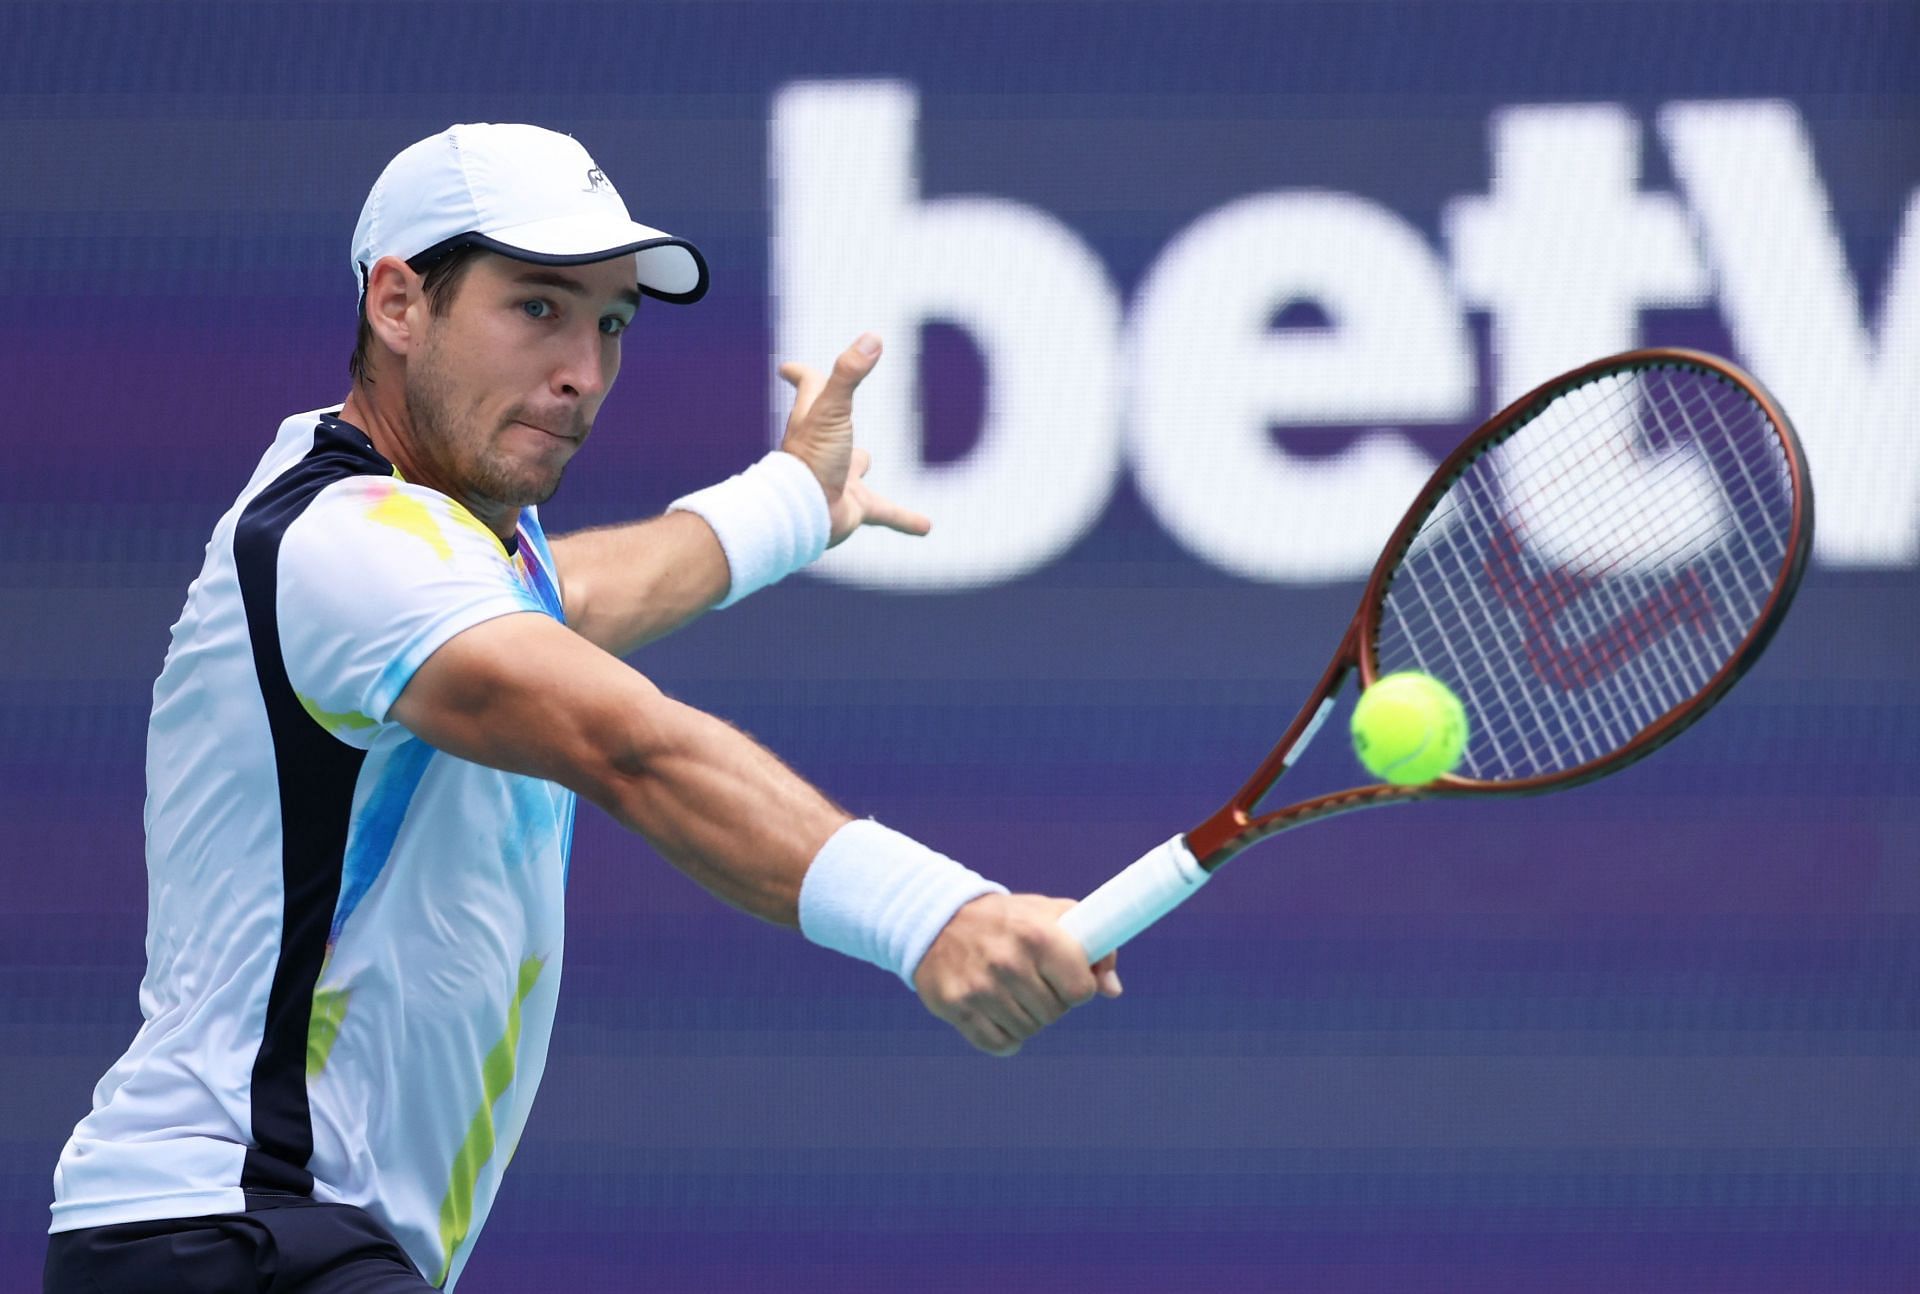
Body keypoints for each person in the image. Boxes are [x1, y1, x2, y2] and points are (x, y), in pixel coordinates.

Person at [45, 122, 1119, 1293]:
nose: (584, 370)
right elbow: (625, 742)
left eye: (610, 322)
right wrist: (934, 916)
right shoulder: (343, 542)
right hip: (239, 1231)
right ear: (399, 304)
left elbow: (579, 599)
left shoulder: (437, 543)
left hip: (260, 1239)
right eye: (538, 308)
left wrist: (785, 506)